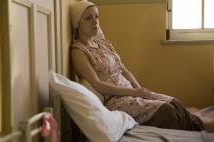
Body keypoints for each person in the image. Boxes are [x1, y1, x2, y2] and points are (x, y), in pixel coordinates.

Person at [70, 0, 213, 132]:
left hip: (132, 92)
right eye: (88, 18)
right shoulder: (78, 51)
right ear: (77, 23)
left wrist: (139, 90)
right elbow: (97, 85)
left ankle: (196, 127)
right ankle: (199, 128)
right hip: (116, 100)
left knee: (176, 103)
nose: (95, 22)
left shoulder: (104, 44)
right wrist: (134, 93)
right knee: (167, 111)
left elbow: (124, 70)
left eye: (96, 17)